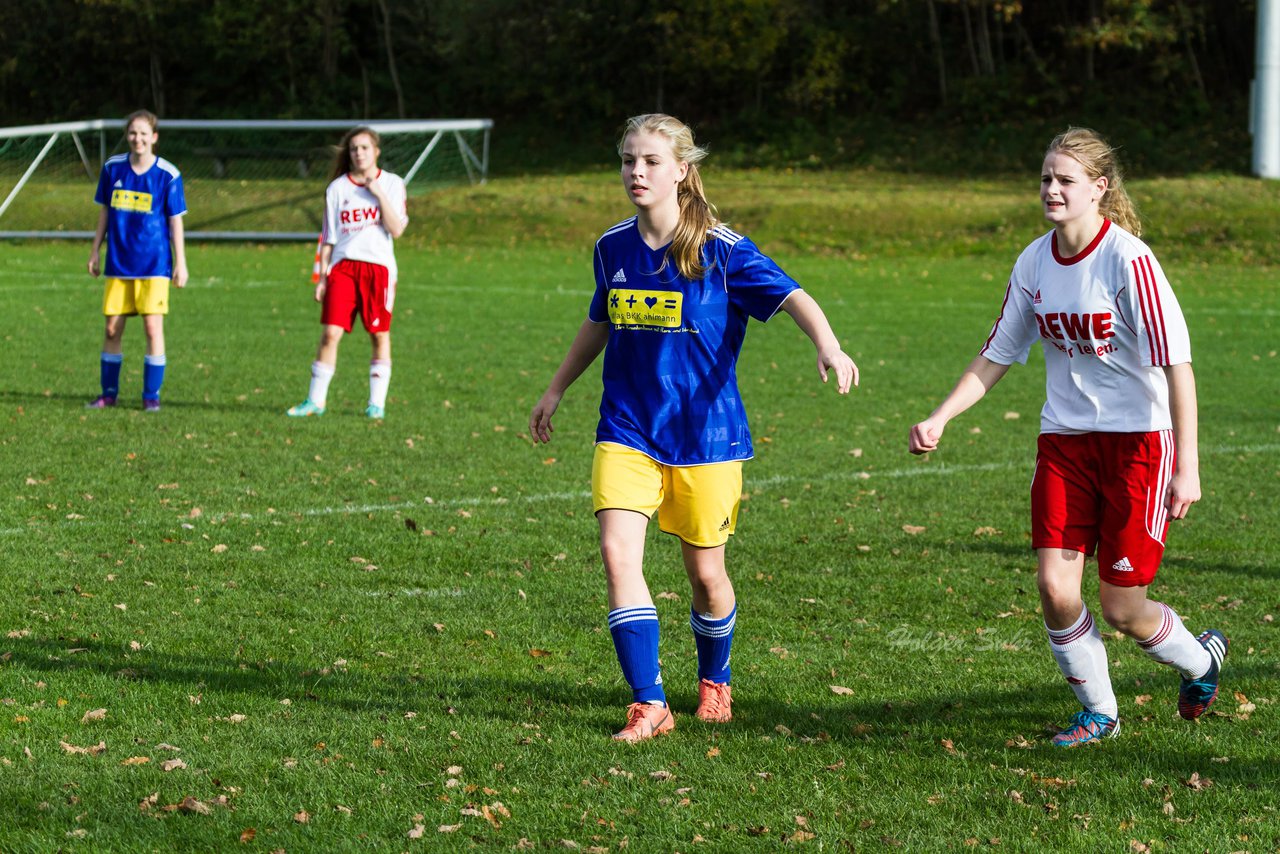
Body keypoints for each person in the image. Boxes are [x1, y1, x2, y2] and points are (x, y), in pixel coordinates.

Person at [530, 114, 858, 742]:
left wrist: (829, 345)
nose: (636, 172)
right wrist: (555, 388)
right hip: (626, 428)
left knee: (706, 577)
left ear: (682, 169)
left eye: (651, 161)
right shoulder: (612, 247)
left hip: (706, 436)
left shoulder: (723, 249)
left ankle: (715, 678)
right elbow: (599, 320)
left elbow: (794, 297)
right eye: (628, 160)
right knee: (616, 554)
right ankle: (649, 702)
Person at [908, 128, 1228, 747]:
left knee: (1122, 610)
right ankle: (1100, 713)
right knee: (1056, 589)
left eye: (1066, 180)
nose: (1052, 189)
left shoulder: (1129, 260)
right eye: (1046, 179)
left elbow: (1177, 366)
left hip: (1139, 445)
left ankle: (1199, 659)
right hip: (1065, 443)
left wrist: (1187, 465)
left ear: (1099, 189)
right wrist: (942, 416)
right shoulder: (1033, 261)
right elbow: (998, 352)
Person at [287, 126, 407, 419]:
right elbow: (328, 237)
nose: (359, 153)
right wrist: (322, 277)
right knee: (330, 333)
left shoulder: (391, 183)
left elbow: (398, 229)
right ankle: (316, 401)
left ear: (376, 151)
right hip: (343, 268)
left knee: (379, 334)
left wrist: (376, 192)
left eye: (365, 148)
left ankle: (376, 404)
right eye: (354, 148)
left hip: (379, 270)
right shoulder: (337, 188)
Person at [87, 109, 188, 411]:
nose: (138, 139)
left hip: (154, 264)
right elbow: (105, 211)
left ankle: (150, 397)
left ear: (154, 137)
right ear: (127, 136)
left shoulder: (168, 175)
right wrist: (95, 250)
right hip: (118, 263)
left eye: (144, 133)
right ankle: (108, 394)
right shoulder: (112, 169)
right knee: (112, 330)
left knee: (152, 329)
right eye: (133, 133)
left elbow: (175, 221)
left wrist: (181, 262)